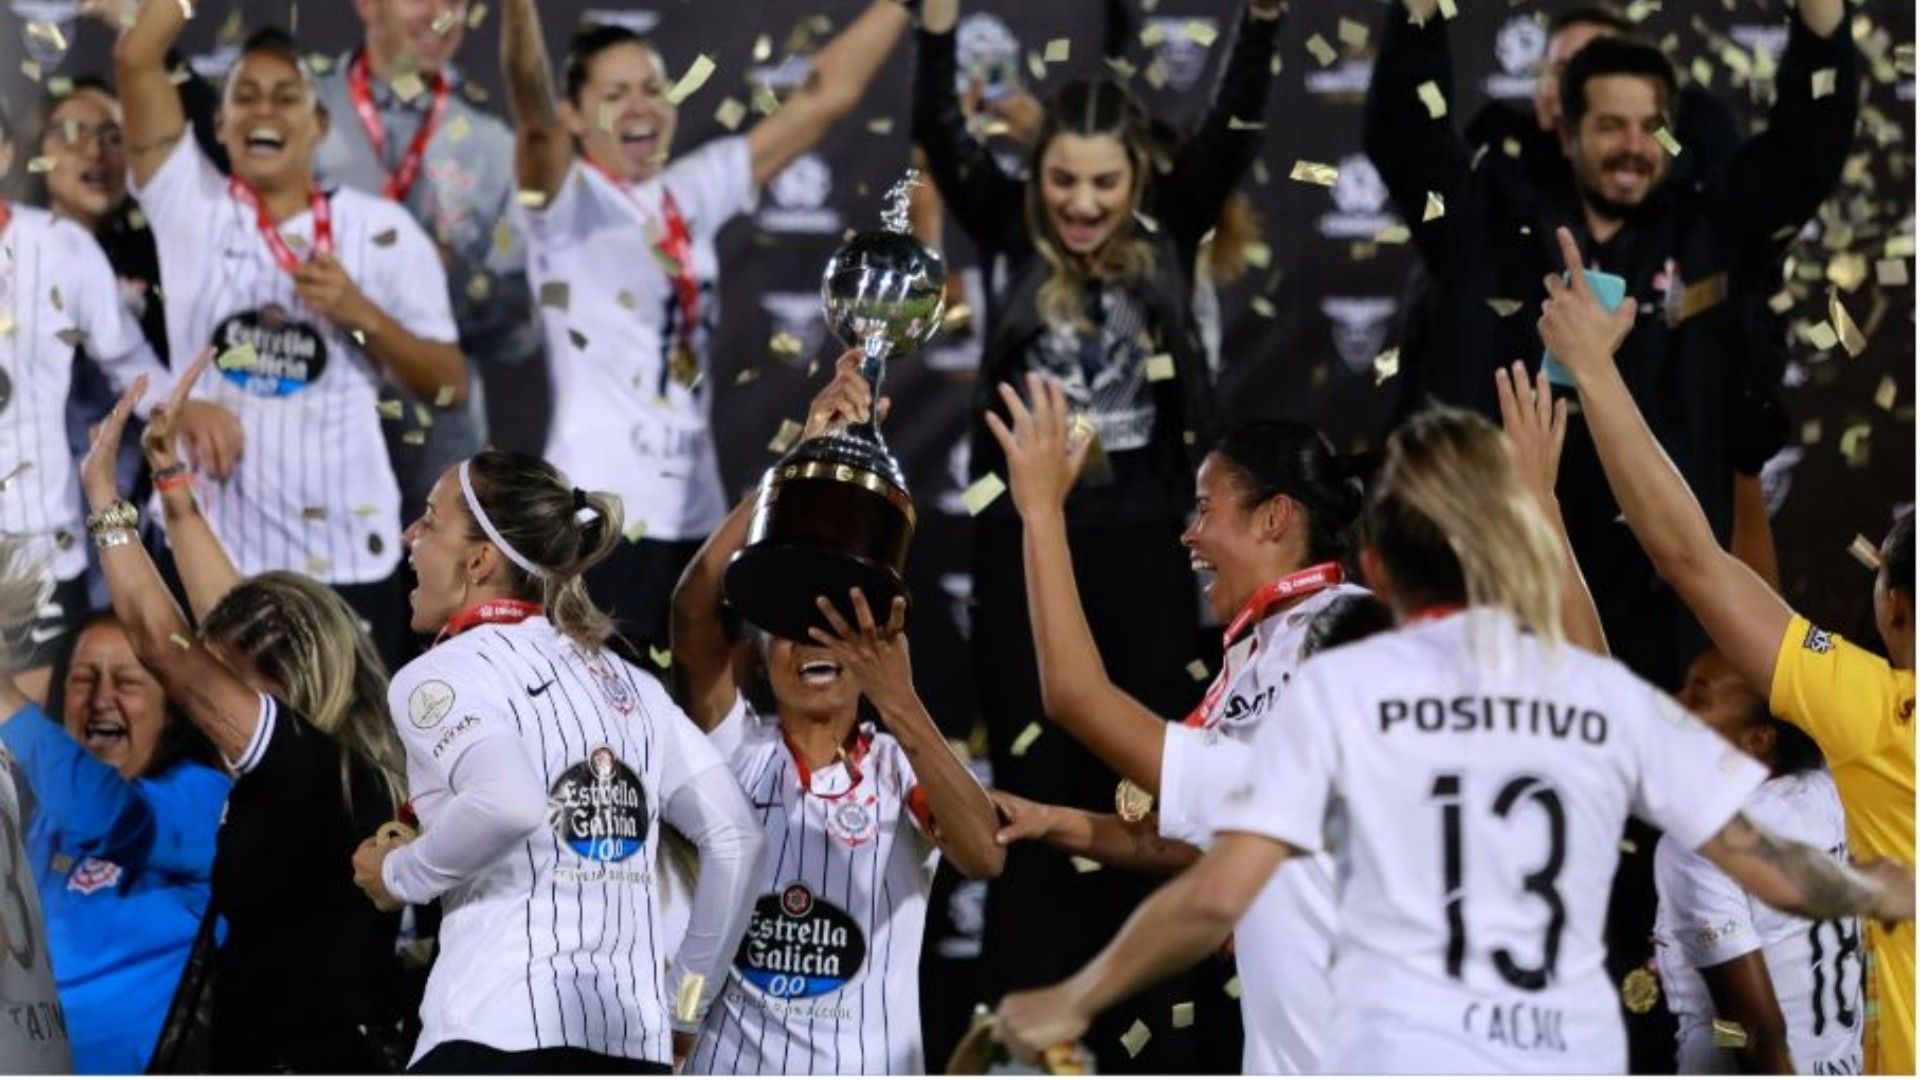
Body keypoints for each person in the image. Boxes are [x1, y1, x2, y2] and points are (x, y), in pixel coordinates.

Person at [991, 403, 1916, 1074]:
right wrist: (1879, 885)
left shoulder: (1341, 701)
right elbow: (1768, 862)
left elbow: (1208, 892)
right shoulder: (1588, 702)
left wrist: (1077, 996)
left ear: (1379, 572)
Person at [912, 2, 1285, 1065]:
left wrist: (1259, 24)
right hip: (1026, 557)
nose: (1081, 204)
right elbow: (942, 139)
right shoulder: (1004, 228)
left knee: (1151, 797)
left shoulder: (1173, 225)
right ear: (1035, 180)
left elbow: (1236, 125)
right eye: (1063, 182)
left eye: (1104, 184)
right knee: (1036, 803)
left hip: (1153, 565)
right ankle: (1030, 1028)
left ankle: (1142, 1031)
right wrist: (934, 38)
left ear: (1139, 182)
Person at [1364, 0, 1855, 691]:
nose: (1633, 145)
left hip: (1667, 598)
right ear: (1565, 132)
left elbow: (1809, 146)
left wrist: (1822, 22)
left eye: (1651, 127)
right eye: (1609, 127)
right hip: (1512, 580)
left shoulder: (1709, 230)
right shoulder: (1492, 221)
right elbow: (1405, 134)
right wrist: (1418, 13)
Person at [1540, 224, 1916, 1073]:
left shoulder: (1879, 718)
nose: (1683, 699)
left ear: (1892, 609)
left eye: (1701, 694)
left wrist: (1594, 373)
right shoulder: (1827, 785)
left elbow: (1691, 562)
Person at [499, 0, 912, 659]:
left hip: (697, 513)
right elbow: (531, 113)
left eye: (651, 88)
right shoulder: (564, 203)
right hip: (600, 519)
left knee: (700, 723)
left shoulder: (690, 190)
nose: (640, 106)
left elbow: (826, 96)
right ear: (575, 115)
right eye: (614, 94)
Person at [983, 368, 1362, 1071]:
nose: (1189, 535)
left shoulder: (1340, 633)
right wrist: (1052, 821)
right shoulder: (1267, 646)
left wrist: (1041, 516)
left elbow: (1074, 695)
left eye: (1204, 507)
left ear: (1274, 517)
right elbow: (1217, 841)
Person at [349, 448, 765, 1073]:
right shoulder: (634, 688)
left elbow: (507, 802)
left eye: (431, 521)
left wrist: (399, 875)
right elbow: (736, 838)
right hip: (632, 1050)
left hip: (491, 1037)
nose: (411, 536)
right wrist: (686, 1007)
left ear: (479, 560)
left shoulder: (439, 675)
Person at [669, 353, 1005, 1074]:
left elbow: (982, 851)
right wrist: (793, 464)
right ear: (756, 658)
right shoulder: (730, 745)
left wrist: (898, 697)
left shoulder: (897, 766)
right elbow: (694, 607)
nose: (813, 644)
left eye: (836, 627)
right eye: (791, 626)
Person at [114, 0, 468, 671]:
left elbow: (449, 385)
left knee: (349, 762)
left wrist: (361, 312)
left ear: (320, 123)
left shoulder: (381, 231)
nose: (264, 110)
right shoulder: (189, 204)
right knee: (216, 759)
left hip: (343, 558)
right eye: (243, 96)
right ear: (218, 123)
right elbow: (137, 56)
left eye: (285, 96)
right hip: (211, 553)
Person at [78, 369, 412, 1071]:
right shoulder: (339, 762)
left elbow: (164, 648)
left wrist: (107, 497)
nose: (207, 707)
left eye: (227, 686)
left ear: (281, 687)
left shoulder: (310, 772)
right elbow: (233, 622)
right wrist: (170, 480)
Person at [0, 101, 234, 706]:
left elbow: (127, 361)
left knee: (23, 753)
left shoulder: (60, 247)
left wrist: (187, 407)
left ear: (6, 153)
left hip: (33, 545)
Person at [316, 0, 546, 519]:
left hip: (438, 458)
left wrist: (455, 279)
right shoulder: (298, 115)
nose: (442, 15)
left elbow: (519, 332)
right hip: (312, 436)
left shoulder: (491, 146)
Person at [0, 609, 225, 1074]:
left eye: (127, 682)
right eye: (82, 680)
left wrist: (5, 700)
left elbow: (107, 814)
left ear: (170, 711)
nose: (101, 698)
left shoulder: (202, 800)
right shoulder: (36, 819)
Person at [1654, 648, 1862, 1074]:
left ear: (1757, 739)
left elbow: (1754, 1034)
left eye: (1698, 698)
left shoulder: (1705, 844)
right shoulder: (1834, 791)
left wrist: (1712, 1033)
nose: (1670, 704)